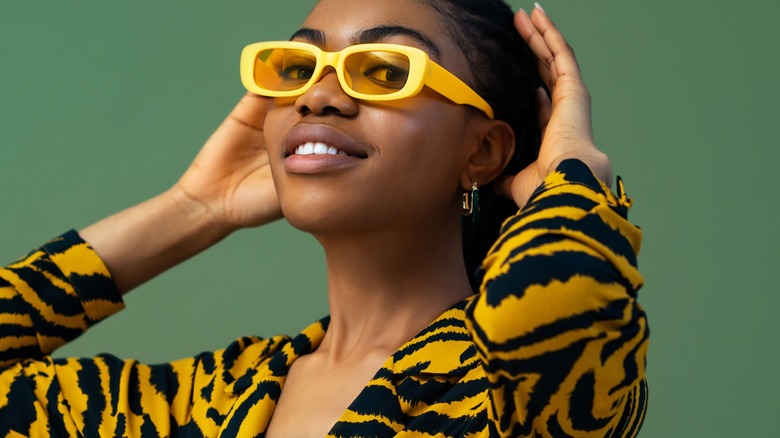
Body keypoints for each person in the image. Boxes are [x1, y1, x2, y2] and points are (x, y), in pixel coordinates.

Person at [0, 0, 648, 436]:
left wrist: (573, 180)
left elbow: (560, 315)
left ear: (481, 150)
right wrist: (193, 209)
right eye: (298, 67)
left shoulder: (511, 383)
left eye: (385, 70)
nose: (319, 95)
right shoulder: (219, 398)